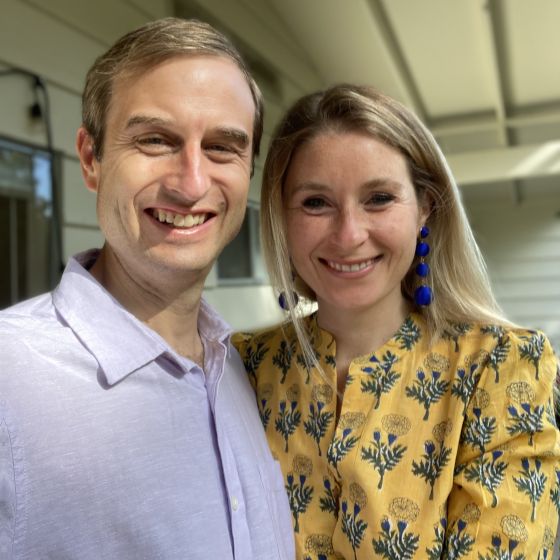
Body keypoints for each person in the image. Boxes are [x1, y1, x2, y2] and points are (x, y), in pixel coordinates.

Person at [0, 18, 294, 560]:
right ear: (91, 159)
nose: (192, 183)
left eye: (222, 148)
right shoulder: (9, 382)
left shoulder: (238, 370)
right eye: (155, 140)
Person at [233, 85, 560, 559]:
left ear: (425, 206)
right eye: (316, 202)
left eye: (379, 198)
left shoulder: (500, 367)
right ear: (282, 217)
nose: (349, 234)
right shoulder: (238, 368)